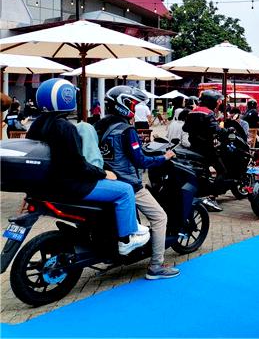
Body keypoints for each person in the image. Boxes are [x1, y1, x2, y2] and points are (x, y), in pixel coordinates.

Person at [26, 78, 149, 256]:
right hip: (72, 185)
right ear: (67, 98)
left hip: (50, 185)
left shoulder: (36, 125)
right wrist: (102, 173)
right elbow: (78, 164)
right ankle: (126, 239)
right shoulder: (65, 127)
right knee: (125, 190)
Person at [95, 86, 179, 280]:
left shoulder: (99, 125)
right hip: (129, 185)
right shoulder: (127, 130)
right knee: (159, 217)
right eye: (132, 104)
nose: (134, 108)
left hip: (106, 181)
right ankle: (156, 266)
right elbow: (140, 161)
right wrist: (164, 157)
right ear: (123, 104)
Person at [183, 90, 225, 212]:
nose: (218, 103)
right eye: (217, 101)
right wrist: (227, 131)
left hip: (193, 147)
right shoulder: (208, 113)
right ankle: (211, 197)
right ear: (211, 101)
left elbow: (185, 128)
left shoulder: (193, 112)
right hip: (207, 148)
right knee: (222, 171)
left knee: (204, 171)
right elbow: (216, 129)